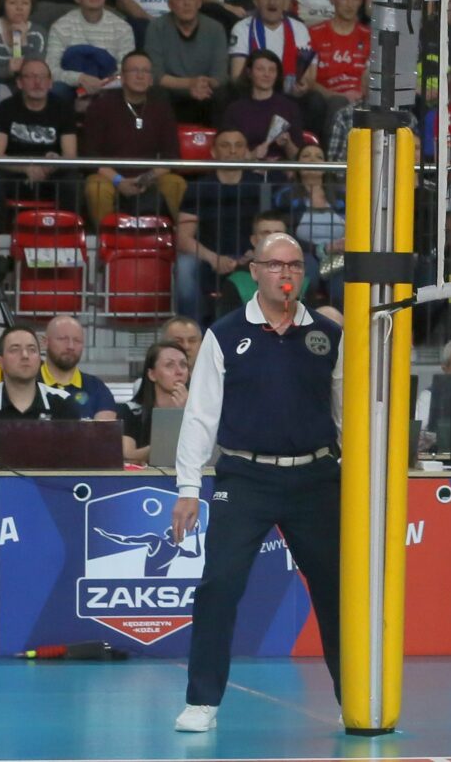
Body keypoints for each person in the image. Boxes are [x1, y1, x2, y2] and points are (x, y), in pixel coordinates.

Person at [170, 230, 345, 732]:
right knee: (219, 586)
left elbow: (347, 417)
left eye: (294, 265)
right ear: (255, 272)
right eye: (275, 265)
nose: (286, 273)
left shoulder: (329, 336)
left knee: (336, 591)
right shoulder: (224, 334)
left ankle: (352, 699)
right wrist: (187, 489)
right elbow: (200, 416)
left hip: (316, 478)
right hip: (243, 477)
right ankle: (202, 701)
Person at [0, 324, 81, 462]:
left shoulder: (62, 402)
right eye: (15, 350)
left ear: (40, 360)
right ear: (0, 362)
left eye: (32, 349)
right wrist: (7, 451)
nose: (25, 355)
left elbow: (77, 451)